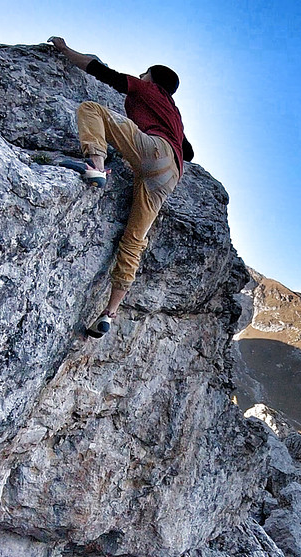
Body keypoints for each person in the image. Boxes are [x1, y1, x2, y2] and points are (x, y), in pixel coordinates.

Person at [48, 36, 194, 338]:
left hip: (154, 151)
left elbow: (102, 72)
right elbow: (189, 152)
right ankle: (109, 312)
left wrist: (64, 49)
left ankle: (96, 166)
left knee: (92, 109)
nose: (140, 75)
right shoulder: (173, 112)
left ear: (152, 78)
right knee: (134, 241)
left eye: (144, 73)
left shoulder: (148, 89)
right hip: (171, 176)